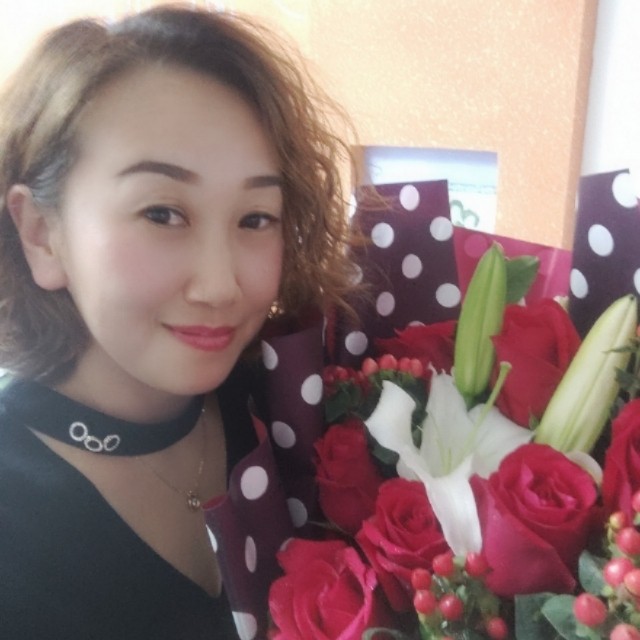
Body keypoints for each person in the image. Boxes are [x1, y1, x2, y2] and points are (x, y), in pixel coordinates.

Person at [0, 5, 356, 639]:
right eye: (162, 213)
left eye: (255, 218)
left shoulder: (291, 408)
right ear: (41, 233)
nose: (220, 287)